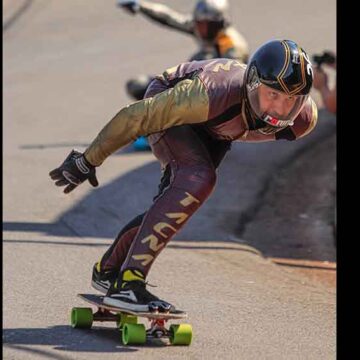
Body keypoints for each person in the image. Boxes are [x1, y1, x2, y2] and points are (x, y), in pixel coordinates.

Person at [49, 39, 317, 312]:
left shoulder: (303, 120)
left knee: (177, 202)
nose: (279, 111)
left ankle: (108, 271)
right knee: (197, 180)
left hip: (216, 127)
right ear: (251, 85)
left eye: (291, 101)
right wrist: (87, 160)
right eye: (272, 95)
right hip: (176, 101)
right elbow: (135, 118)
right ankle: (129, 284)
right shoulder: (206, 95)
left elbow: (254, 118)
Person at [118, 0, 250, 101]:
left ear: (220, 23)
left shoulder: (232, 46)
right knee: (138, 86)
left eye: (207, 24)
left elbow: (231, 84)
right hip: (193, 86)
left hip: (212, 96)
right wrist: (141, 6)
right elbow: (169, 18)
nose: (201, 29)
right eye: (199, 23)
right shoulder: (198, 28)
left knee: (202, 58)